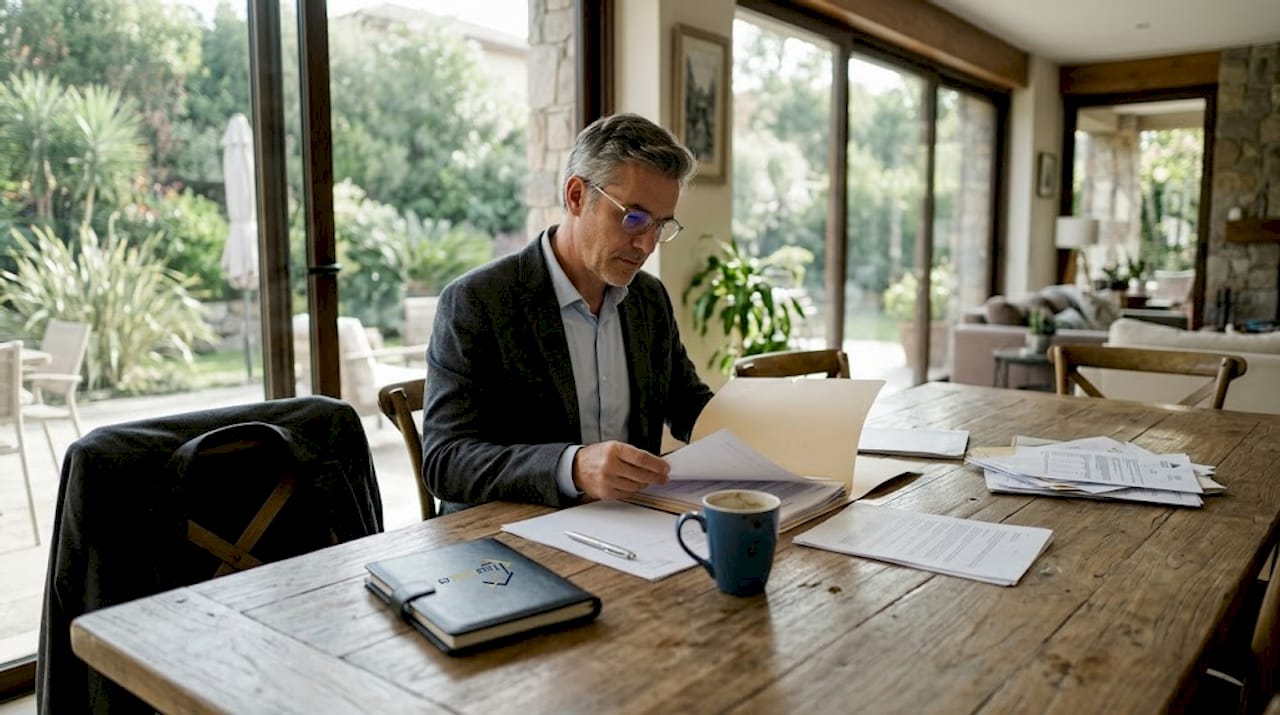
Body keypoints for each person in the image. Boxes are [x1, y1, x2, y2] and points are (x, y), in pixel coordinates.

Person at [422, 113, 714, 514]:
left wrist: (768, 428)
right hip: (508, 534)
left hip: (630, 525)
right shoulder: (477, 301)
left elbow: (686, 403)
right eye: (633, 218)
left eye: (660, 226)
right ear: (576, 196)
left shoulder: (649, 298)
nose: (647, 245)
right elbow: (446, 461)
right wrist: (572, 467)